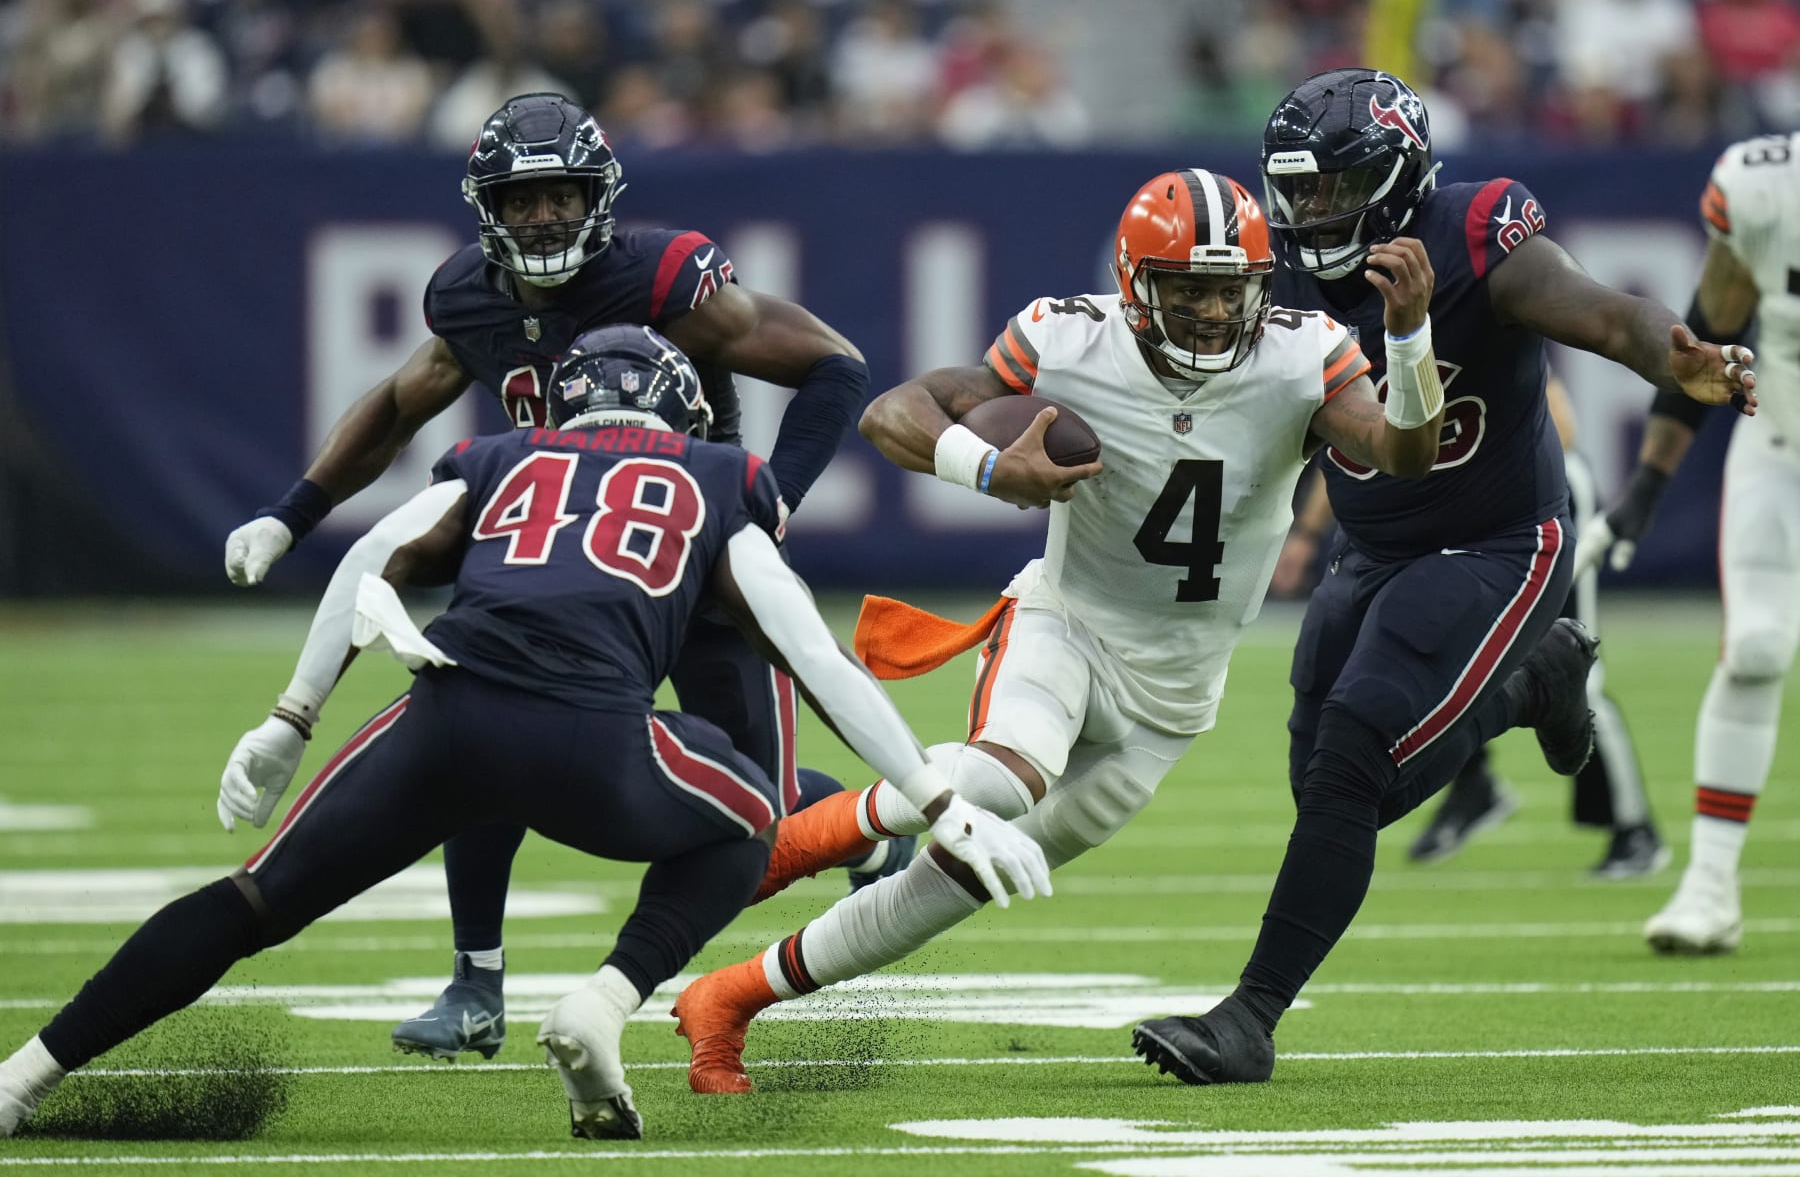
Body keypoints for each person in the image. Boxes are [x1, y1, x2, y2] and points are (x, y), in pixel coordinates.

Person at [0, 326, 1050, 1142]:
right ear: (685, 414)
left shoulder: (499, 454)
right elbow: (813, 658)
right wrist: (942, 799)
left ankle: (24, 1078)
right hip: (593, 736)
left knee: (252, 901)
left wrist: (290, 718)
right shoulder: (718, 478)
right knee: (745, 807)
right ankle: (605, 1001)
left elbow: (374, 555)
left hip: (442, 709)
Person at [666, 167, 1450, 1095]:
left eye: (1228, 289)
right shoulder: (1070, 340)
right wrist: (993, 470)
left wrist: (1407, 338)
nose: (1209, 312)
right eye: (1187, 289)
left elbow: (1407, 453)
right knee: (1000, 779)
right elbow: (892, 414)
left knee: (969, 876)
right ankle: (775, 849)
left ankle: (726, 997)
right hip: (1070, 623)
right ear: (1134, 285)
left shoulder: (1301, 354)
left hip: (1179, 695)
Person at [220, 92, 905, 1062]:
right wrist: (293, 512)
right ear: (486, 205)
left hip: (684, 564)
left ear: (601, 195)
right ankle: (475, 981)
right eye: (523, 196)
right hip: (538, 559)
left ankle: (866, 830)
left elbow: (835, 368)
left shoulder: (669, 282)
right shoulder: (469, 296)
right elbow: (395, 404)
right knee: (485, 744)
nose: (543, 214)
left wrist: (771, 498)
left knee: (763, 800)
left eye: (562, 192)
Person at [1129, 67, 1756, 1086]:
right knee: (1331, 797)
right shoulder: (1274, 278)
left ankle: (1251, 1016)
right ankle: (1533, 685)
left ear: (1401, 177)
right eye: (1303, 192)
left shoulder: (1476, 239)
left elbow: (1602, 314)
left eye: (1339, 189)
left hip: (1500, 541)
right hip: (1373, 543)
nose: (1315, 214)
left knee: (1352, 754)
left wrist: (1670, 357)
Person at [1276, 379, 1670, 879]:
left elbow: (1557, 419)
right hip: (1440, 499)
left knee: (1568, 654)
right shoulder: (1350, 336)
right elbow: (1350, 451)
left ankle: (1634, 829)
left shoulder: (1463, 312)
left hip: (1529, 501)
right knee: (1421, 652)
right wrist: (1309, 533)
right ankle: (1473, 783)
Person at [1579, 131, 1790, 955]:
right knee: (1758, 647)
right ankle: (1710, 885)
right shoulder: (1765, 189)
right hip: (1784, 443)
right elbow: (1710, 329)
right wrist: (1648, 489)